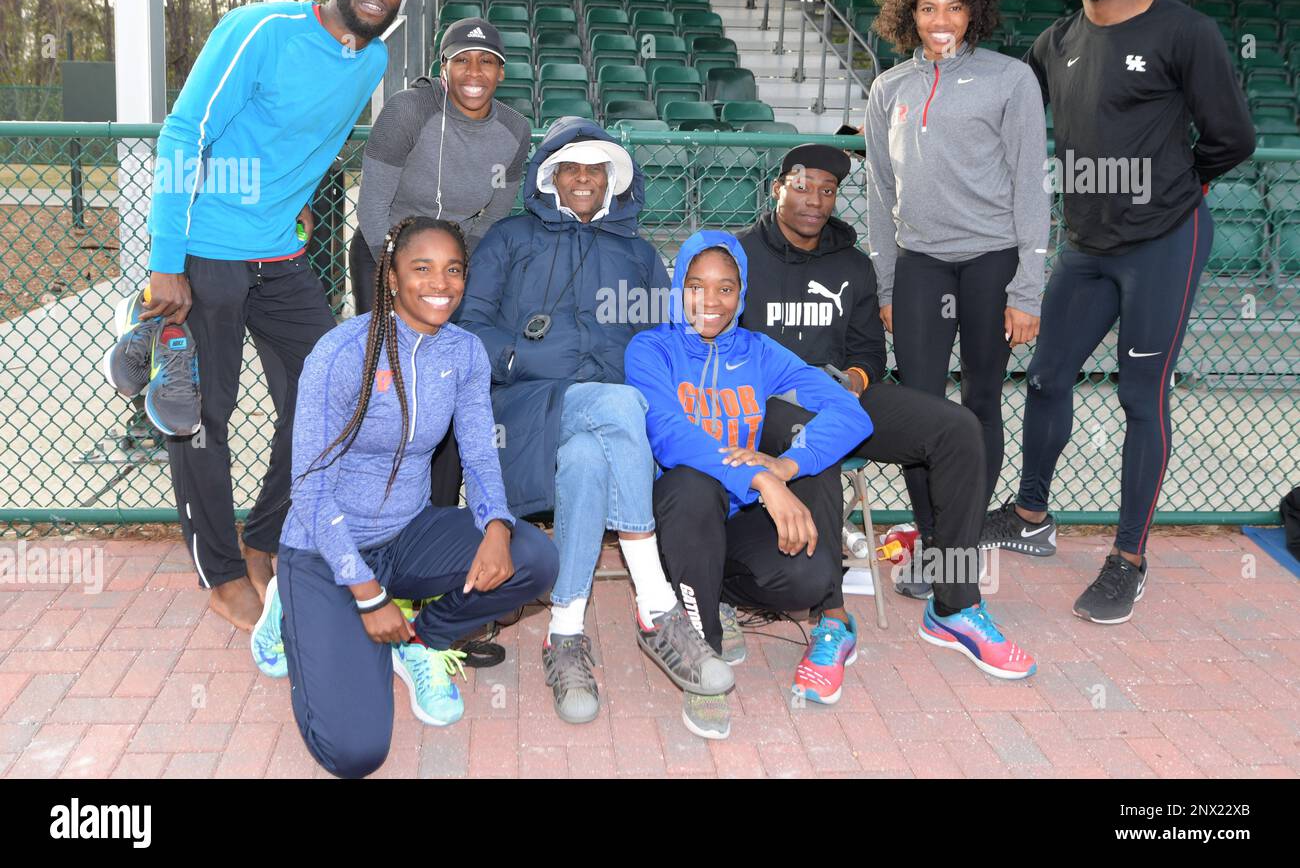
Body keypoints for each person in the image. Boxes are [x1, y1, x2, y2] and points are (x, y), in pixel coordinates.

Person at [140, 0, 416, 630]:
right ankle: (221, 572)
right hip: (205, 252)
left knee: (332, 393)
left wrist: (294, 207)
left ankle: (262, 536)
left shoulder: (371, 64)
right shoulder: (259, 30)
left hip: (280, 258)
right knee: (203, 414)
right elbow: (185, 133)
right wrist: (166, 262)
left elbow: (313, 147)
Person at [985, 0, 1254, 625]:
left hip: (1164, 240)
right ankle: (1032, 514)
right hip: (1087, 246)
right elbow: (1005, 113)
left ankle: (1128, 559)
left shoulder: (1183, 31)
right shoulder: (1055, 41)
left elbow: (1232, 137)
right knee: (1044, 375)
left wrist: (1175, 186)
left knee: (1141, 396)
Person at [255, 216, 558, 779]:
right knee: (356, 752)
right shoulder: (341, 352)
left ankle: (418, 641)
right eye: (422, 268)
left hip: (405, 535)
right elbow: (310, 491)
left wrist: (495, 525)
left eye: (453, 270)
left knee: (534, 560)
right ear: (391, 276)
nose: (440, 283)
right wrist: (368, 598)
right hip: (325, 550)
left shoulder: (464, 353)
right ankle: (292, 607)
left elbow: (480, 454)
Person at [458, 118, 733, 732]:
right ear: (549, 177)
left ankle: (565, 632)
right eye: (570, 169)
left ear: (612, 181)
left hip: (606, 431)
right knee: (619, 405)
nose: (583, 180)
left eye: (595, 169)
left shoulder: (637, 253)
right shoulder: (510, 238)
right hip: (523, 410)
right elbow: (468, 327)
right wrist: (523, 357)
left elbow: (665, 341)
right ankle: (656, 604)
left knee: (588, 454)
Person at [736, 144, 1036, 685]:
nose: (816, 200)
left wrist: (852, 381)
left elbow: (869, 354)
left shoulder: (851, 264)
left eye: (828, 191)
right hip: (766, 409)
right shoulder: (738, 255)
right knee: (813, 441)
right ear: (776, 188)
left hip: (837, 397)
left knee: (958, 427)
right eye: (802, 186)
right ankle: (832, 618)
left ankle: (953, 605)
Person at [626, 231, 881, 740]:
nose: (710, 301)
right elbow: (671, 435)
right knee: (693, 484)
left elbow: (849, 412)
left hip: (735, 516)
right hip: (676, 510)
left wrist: (788, 465)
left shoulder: (759, 351)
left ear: (742, 294)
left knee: (810, 578)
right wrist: (761, 477)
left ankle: (707, 593)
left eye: (726, 288)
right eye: (696, 286)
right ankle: (702, 657)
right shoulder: (651, 348)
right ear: (678, 288)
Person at [863, 0, 1051, 566]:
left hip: (992, 259)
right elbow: (879, 196)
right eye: (926, 7)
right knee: (919, 402)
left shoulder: (1011, 79)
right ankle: (934, 539)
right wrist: (888, 285)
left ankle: (960, 539)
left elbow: (1031, 188)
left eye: (953, 6)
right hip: (920, 263)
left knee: (980, 398)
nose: (940, 21)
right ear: (905, 14)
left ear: (974, 10)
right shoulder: (888, 88)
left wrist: (1027, 288)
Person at [353, 17, 531, 507]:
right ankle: (376, 502)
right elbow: (372, 207)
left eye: (487, 61)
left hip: (452, 261)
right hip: (385, 248)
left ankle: (438, 509)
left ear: (501, 72)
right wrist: (398, 274)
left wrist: (452, 273)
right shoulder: (408, 110)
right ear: (444, 67)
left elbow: (493, 215)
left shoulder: (515, 130)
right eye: (462, 60)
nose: (474, 71)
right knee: (386, 381)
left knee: (449, 382)